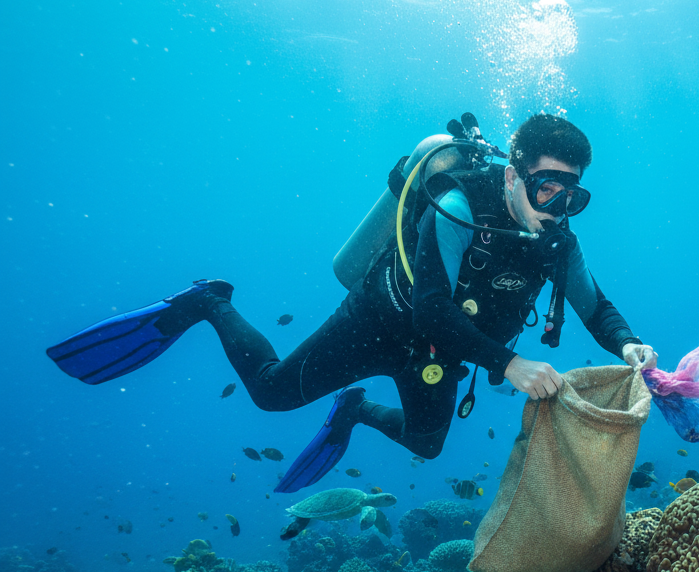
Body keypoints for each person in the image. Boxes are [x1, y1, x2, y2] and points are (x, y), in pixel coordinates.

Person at [46, 113, 657, 491]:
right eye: (547, 187)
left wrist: (627, 342)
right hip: (377, 322)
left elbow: (596, 307)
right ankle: (209, 303)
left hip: (440, 355)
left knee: (426, 443)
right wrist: (509, 365)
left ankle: (355, 409)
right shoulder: (457, 205)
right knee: (270, 394)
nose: (555, 209)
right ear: (510, 175)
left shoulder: (556, 244)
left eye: (571, 197)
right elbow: (432, 311)